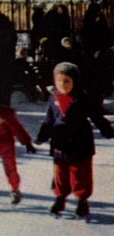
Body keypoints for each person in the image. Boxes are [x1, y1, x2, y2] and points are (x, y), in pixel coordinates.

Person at [35, 61, 114, 218]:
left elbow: (96, 116)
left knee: (80, 173)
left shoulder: (83, 98)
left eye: (67, 81)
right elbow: (48, 120)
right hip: (60, 141)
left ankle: (82, 199)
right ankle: (60, 197)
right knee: (60, 173)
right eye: (59, 81)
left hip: (80, 141)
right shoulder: (53, 98)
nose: (62, 85)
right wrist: (42, 136)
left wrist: (107, 130)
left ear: (75, 81)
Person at [79, 3, 113, 100]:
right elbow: (86, 38)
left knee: (103, 71)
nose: (98, 15)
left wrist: (104, 48)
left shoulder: (101, 20)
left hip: (102, 51)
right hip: (90, 51)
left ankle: (104, 90)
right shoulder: (88, 22)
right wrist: (93, 50)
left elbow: (106, 35)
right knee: (93, 71)